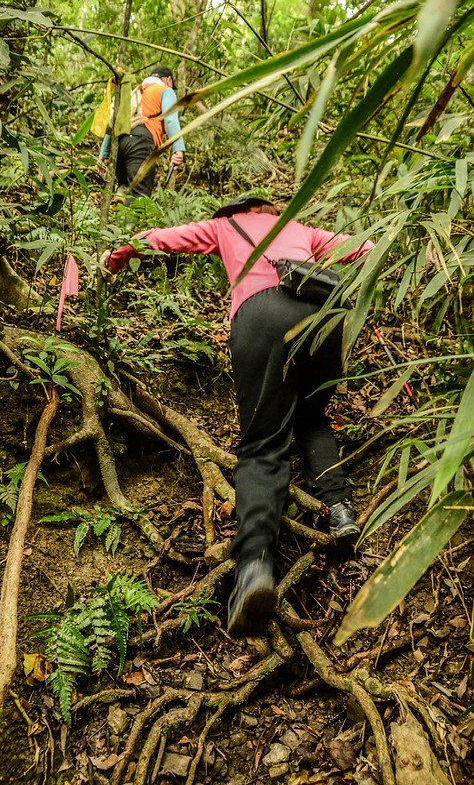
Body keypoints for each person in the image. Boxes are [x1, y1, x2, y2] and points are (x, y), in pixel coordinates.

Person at [101, 196, 374, 637]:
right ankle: (341, 511)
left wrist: (114, 256)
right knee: (311, 417)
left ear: (234, 212)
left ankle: (255, 568)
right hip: (325, 314)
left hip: (263, 315)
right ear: (272, 209)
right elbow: (362, 245)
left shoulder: (224, 227)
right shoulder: (299, 227)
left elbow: (161, 240)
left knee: (264, 442)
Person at [97, 65, 186, 200]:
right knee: (139, 197)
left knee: (126, 191)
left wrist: (104, 153)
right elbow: (171, 121)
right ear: (169, 80)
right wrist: (178, 149)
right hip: (140, 144)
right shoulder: (165, 90)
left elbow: (114, 121)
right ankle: (129, 220)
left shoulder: (136, 92)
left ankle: (121, 210)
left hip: (120, 145)